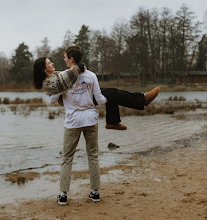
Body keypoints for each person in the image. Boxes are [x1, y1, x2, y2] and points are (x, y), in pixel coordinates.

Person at [33, 55, 160, 131]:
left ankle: (114, 120)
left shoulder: (57, 74)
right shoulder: (47, 82)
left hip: (81, 94)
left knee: (112, 93)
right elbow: (61, 83)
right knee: (111, 93)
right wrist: (77, 69)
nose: (52, 63)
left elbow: (67, 76)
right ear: (45, 69)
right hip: (78, 100)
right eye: (49, 62)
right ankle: (141, 100)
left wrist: (78, 71)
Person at [49, 46, 107, 205]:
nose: (64, 59)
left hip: (73, 121)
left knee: (67, 157)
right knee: (93, 155)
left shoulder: (62, 77)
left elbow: (52, 100)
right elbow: (100, 99)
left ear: (71, 59)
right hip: (90, 119)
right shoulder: (91, 76)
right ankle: (95, 193)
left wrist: (63, 94)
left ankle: (63, 195)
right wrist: (109, 99)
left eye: (65, 57)